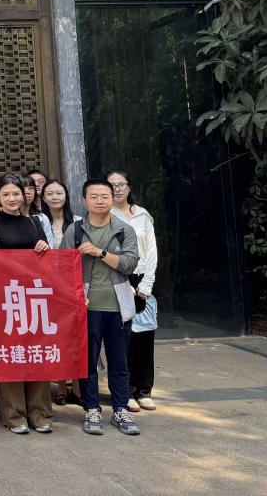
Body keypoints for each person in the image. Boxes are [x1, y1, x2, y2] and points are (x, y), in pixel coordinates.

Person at [64, 179, 141, 436]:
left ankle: (120, 409)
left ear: (112, 199)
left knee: (119, 362)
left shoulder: (124, 230)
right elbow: (62, 267)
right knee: (88, 363)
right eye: (94, 196)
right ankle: (92, 409)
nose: (100, 201)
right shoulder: (75, 231)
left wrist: (100, 253)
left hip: (118, 307)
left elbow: (129, 264)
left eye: (105, 196)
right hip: (86, 307)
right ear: (84, 201)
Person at [0, 174, 53, 434]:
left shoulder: (34, 222)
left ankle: (40, 413)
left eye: (16, 194)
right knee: (11, 355)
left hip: (34, 296)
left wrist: (44, 247)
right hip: (6, 298)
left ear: (25, 195)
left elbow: (46, 260)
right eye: (6, 194)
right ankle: (14, 415)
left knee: (36, 354)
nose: (12, 199)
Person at [108, 169, 158, 413]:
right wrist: (124, 282)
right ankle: (125, 391)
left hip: (143, 280)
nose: (117, 189)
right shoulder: (105, 216)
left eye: (121, 184)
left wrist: (147, 284)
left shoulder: (142, 215)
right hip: (118, 279)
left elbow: (152, 250)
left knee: (144, 338)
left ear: (129, 187)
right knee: (122, 340)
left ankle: (144, 389)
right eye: (112, 185)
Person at [39, 178, 83, 405]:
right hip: (47, 288)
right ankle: (61, 386)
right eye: (50, 193)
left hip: (72, 286)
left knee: (74, 336)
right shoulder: (38, 222)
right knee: (56, 337)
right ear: (43, 198)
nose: (55, 197)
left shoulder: (78, 222)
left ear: (66, 196)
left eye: (59, 193)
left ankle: (77, 386)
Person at [21, 173, 56, 245]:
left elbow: (49, 246)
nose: (27, 192)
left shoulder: (42, 218)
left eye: (31, 188)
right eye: (23, 188)